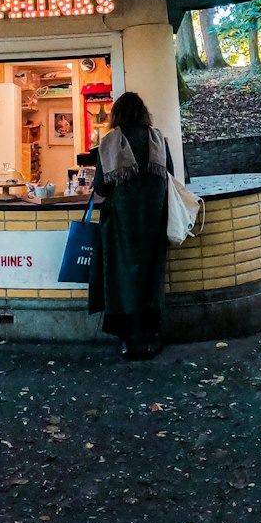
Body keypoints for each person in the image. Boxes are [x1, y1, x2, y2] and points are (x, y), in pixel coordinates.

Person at [87, 91, 173, 361]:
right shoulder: (157, 138)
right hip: (153, 221)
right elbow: (169, 174)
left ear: (117, 115)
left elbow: (101, 186)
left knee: (120, 277)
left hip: (120, 224)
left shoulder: (110, 142)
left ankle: (126, 340)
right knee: (151, 277)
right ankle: (150, 337)